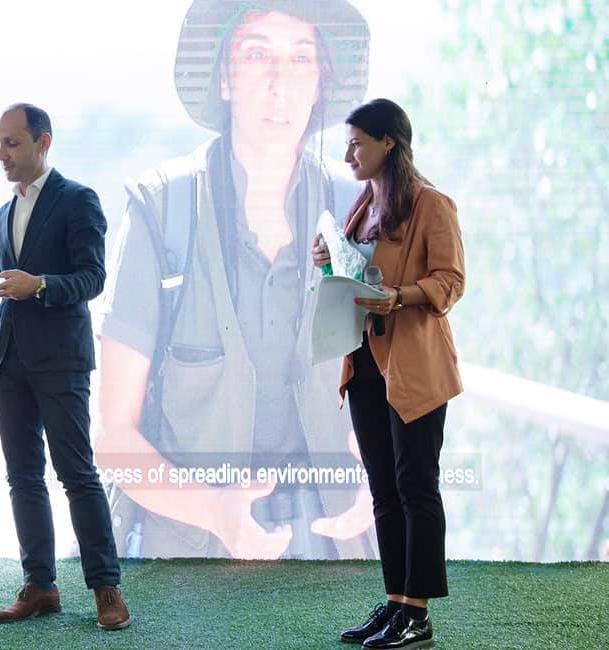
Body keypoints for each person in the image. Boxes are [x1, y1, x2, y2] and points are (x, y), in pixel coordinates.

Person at [97, 0, 374, 560]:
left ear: (320, 84)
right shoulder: (162, 211)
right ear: (224, 78)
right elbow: (113, 438)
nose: (279, 83)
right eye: (257, 54)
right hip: (191, 562)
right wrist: (215, 512)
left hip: (337, 556)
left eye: (301, 57)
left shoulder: (361, 217)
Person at [0, 103, 130, 630]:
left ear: (43, 142)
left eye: (13, 143)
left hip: (61, 360)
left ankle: (106, 587)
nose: (2, 154)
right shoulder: (1, 215)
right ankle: (40, 586)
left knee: (77, 473)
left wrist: (40, 284)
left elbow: (93, 278)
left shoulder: (78, 200)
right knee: (23, 477)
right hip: (8, 361)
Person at [312, 98, 464, 648]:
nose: (348, 154)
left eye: (357, 143)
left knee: (415, 485)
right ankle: (397, 601)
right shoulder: (364, 204)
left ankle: (418, 614)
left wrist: (399, 296)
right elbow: (360, 274)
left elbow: (450, 281)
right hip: (366, 363)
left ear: (388, 143)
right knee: (383, 488)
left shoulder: (432, 204)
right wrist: (329, 259)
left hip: (415, 367)